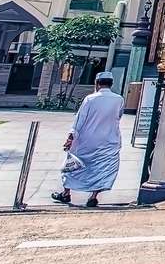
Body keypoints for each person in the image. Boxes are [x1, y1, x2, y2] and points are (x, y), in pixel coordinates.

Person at [51, 73, 124, 207]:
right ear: (111, 84)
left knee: (74, 165)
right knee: (102, 167)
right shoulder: (118, 99)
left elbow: (80, 119)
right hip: (109, 139)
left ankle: (66, 193)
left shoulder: (90, 99)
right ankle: (93, 196)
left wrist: (70, 137)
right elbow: (118, 116)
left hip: (86, 140)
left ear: (97, 83)